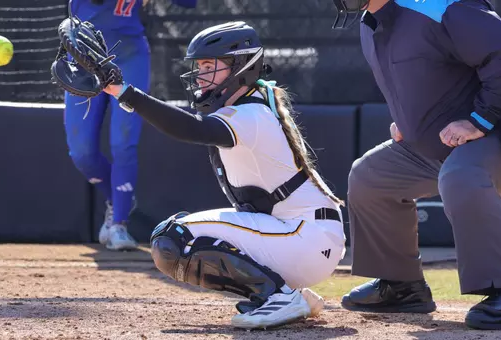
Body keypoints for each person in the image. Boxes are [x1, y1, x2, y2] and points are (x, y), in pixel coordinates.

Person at [101, 21, 347, 329]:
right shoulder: (250, 105)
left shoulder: (249, 113)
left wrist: (126, 94)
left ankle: (278, 296)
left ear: (239, 67)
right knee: (172, 237)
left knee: (172, 239)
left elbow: (192, 128)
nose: (201, 75)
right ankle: (286, 292)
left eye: (209, 65)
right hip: (303, 237)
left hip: (303, 236)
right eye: (199, 65)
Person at [330, 0, 501, 330]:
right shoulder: (370, 22)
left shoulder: (439, 5)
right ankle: (402, 286)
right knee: (370, 177)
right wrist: (407, 124)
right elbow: (418, 80)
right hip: (437, 145)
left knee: (461, 177)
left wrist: (480, 120)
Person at [63, 0, 196, 250]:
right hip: (84, 56)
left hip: (129, 54)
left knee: (123, 142)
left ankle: (119, 224)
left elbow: (189, 3)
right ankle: (117, 200)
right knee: (81, 153)